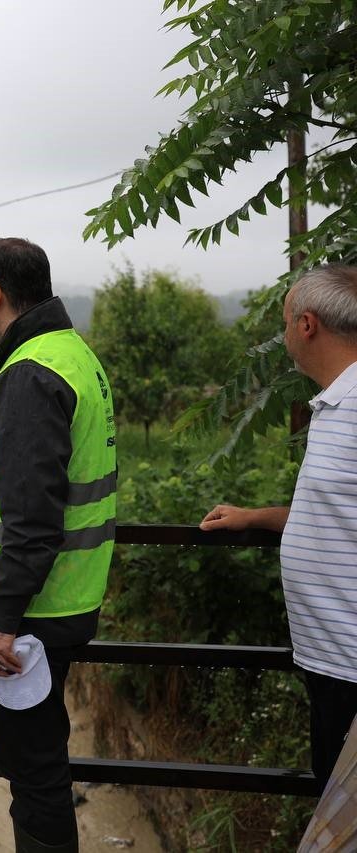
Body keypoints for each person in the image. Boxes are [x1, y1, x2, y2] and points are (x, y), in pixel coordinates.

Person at [0, 238, 117, 853]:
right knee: (40, 763)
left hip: (26, 620)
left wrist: (2, 620)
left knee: (33, 773)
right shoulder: (73, 354)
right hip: (59, 603)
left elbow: (32, 519)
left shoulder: (28, 375)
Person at [201, 265, 357, 790]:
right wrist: (258, 518)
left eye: (286, 320)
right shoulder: (337, 403)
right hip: (331, 664)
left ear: (307, 325)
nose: (283, 334)